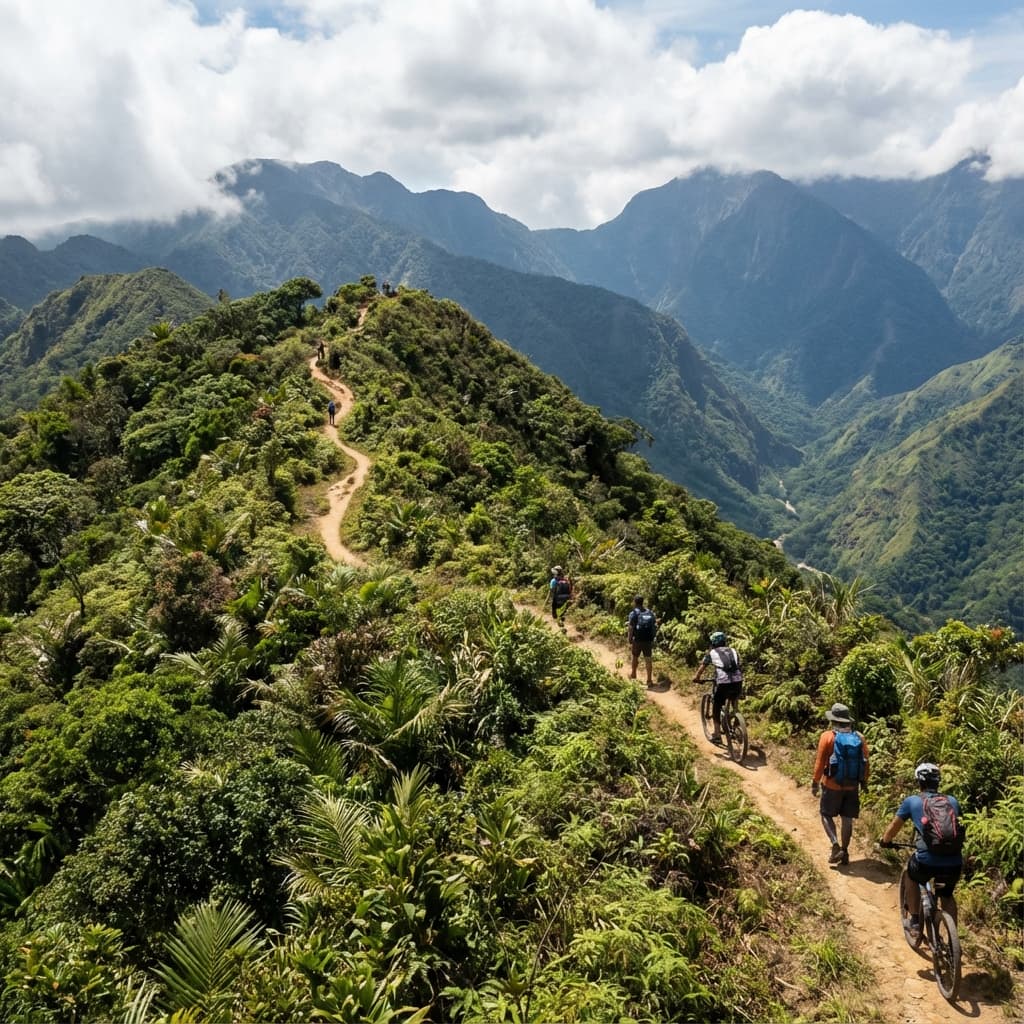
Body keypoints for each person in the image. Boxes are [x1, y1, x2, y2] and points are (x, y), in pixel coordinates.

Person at [880, 763, 963, 929]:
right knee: (946, 895)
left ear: (919, 782)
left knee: (912, 875)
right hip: (954, 862)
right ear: (938, 782)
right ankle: (953, 939)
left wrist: (885, 841)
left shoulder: (912, 801)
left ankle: (916, 920)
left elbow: (894, 827)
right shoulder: (952, 801)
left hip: (926, 862)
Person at [811, 703, 869, 865]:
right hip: (852, 785)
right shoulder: (859, 737)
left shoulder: (827, 737)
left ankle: (835, 844)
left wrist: (815, 782)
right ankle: (845, 850)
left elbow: (820, 762)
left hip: (832, 784)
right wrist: (864, 782)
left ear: (833, 721)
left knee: (825, 814)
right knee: (847, 818)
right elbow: (866, 762)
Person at [692, 631, 743, 745]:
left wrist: (696, 678)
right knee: (734, 698)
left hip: (723, 682)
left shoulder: (712, 653)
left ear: (713, 643)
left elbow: (702, 667)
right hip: (738, 680)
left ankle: (717, 734)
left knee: (717, 705)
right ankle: (736, 722)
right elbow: (738, 665)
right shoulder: (733, 650)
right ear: (725, 641)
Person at [627, 595, 657, 686]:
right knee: (648, 659)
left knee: (635, 657)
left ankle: (633, 675)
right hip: (648, 640)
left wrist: (630, 638)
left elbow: (631, 627)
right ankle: (649, 680)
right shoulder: (650, 612)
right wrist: (653, 638)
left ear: (635, 602)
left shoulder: (634, 613)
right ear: (643, 602)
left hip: (638, 639)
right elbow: (654, 626)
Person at [549, 566, 573, 630]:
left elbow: (552, 591)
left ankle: (561, 627)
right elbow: (570, 589)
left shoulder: (553, 580)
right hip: (566, 599)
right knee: (563, 613)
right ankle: (562, 623)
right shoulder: (566, 580)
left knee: (556, 614)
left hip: (557, 599)